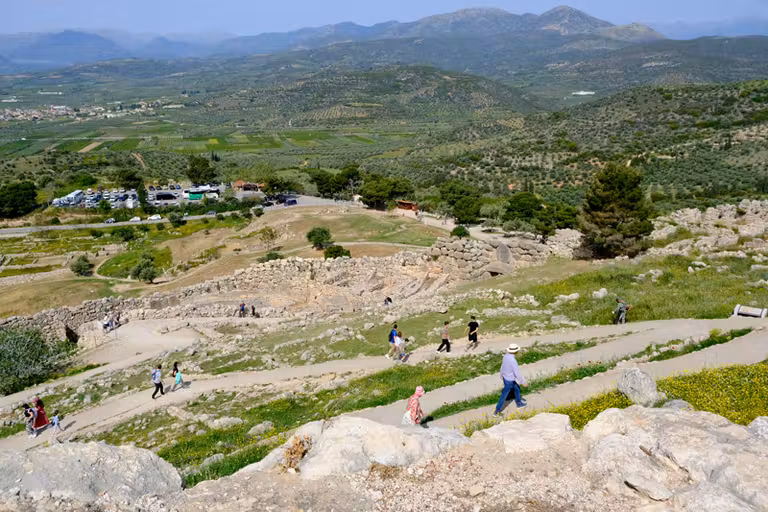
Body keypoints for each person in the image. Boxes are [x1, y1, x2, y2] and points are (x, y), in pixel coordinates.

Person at [494, 344, 527, 416]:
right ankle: (496, 411)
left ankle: (519, 403)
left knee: (517, 388)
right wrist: (523, 382)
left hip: (505, 378)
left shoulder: (505, 356)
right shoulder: (513, 361)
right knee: (504, 395)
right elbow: (517, 373)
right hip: (510, 380)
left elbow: (502, 366)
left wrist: (501, 375)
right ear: (516, 352)